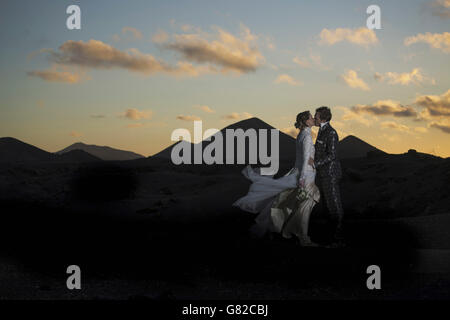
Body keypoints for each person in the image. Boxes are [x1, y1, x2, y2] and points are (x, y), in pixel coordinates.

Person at [232, 111, 320, 246]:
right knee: (301, 206)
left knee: (286, 202)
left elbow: (303, 158)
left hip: (300, 172)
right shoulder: (307, 137)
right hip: (305, 175)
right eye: (310, 117)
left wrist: (309, 162)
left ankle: (277, 229)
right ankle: (301, 237)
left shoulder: (301, 135)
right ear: (306, 121)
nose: (313, 118)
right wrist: (303, 177)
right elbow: (304, 160)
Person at [309, 106, 345, 247]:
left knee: (334, 206)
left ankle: (339, 239)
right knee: (328, 208)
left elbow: (332, 155)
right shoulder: (322, 131)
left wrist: (315, 164)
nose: (314, 118)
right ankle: (331, 238)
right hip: (324, 175)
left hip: (331, 174)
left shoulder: (331, 133)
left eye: (316, 116)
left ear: (323, 118)